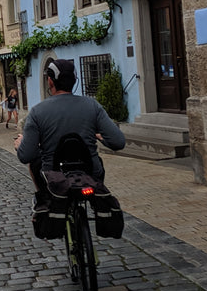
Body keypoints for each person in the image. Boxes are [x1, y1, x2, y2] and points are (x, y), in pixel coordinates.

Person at [14, 59, 125, 195]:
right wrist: (101, 138)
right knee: (98, 162)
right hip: (90, 173)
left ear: (50, 81)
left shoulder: (37, 111)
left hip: (53, 176)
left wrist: (20, 145)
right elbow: (118, 142)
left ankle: (43, 201)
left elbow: (26, 156)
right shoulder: (93, 105)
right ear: (74, 80)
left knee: (35, 163)